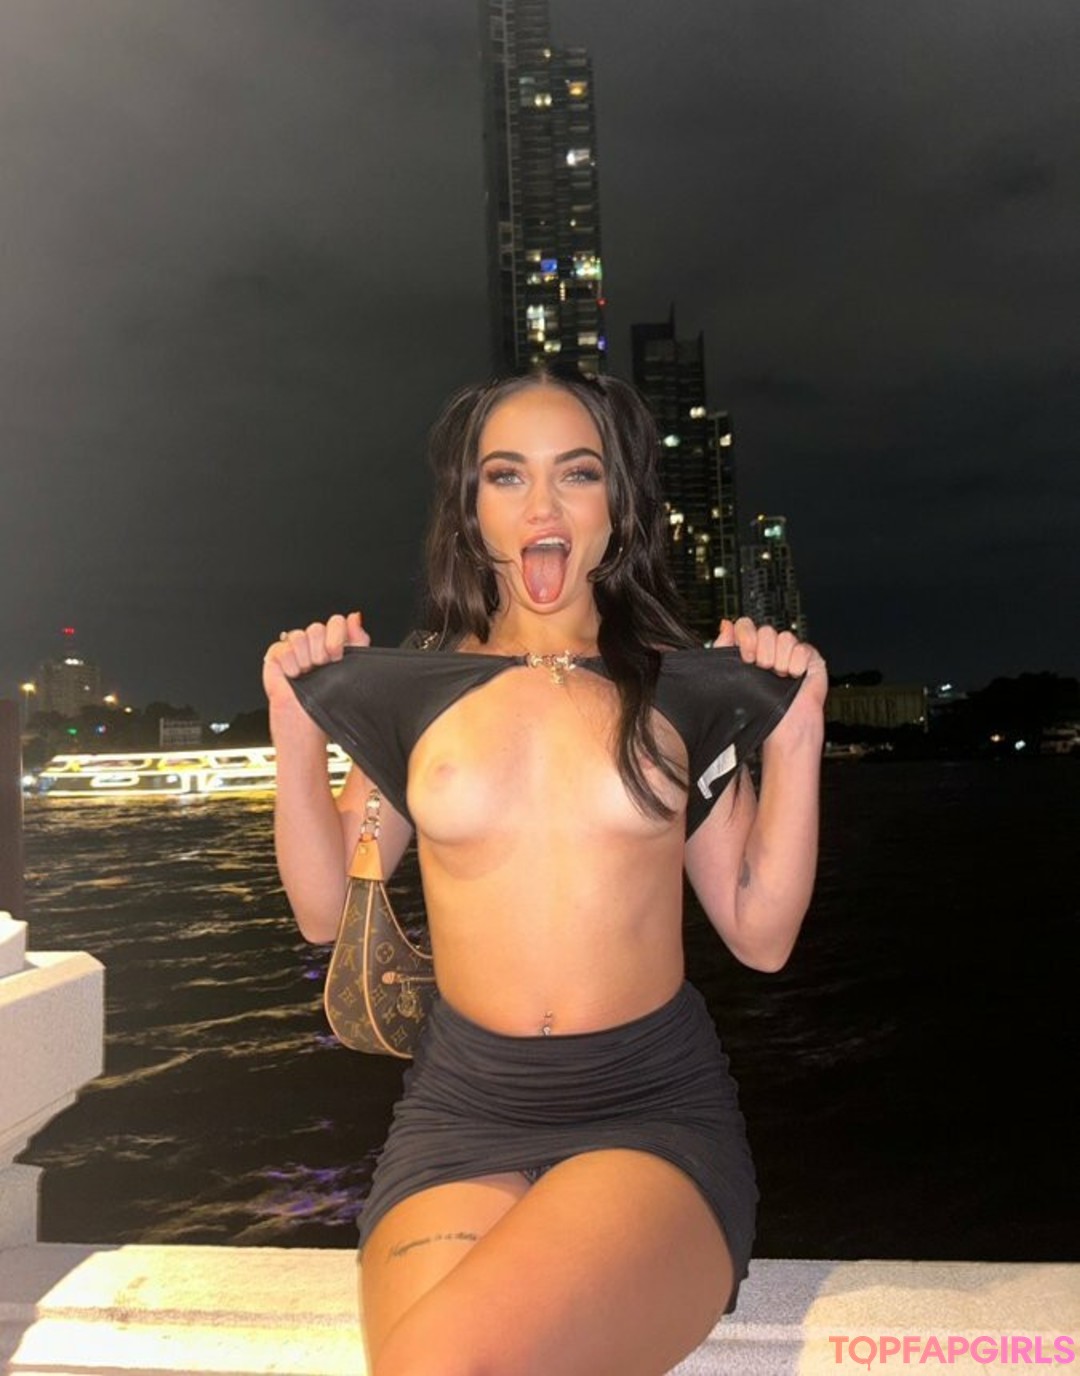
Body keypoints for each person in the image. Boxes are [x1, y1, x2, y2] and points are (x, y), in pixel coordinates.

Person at [263, 368, 826, 1376]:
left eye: (577, 473)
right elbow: (321, 911)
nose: (541, 507)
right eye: (506, 475)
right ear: (471, 511)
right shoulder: (415, 692)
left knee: (445, 1360)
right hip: (459, 1111)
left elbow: (761, 932)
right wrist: (294, 728)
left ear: (618, 505)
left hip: (649, 1111)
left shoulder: (680, 690)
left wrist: (797, 730)